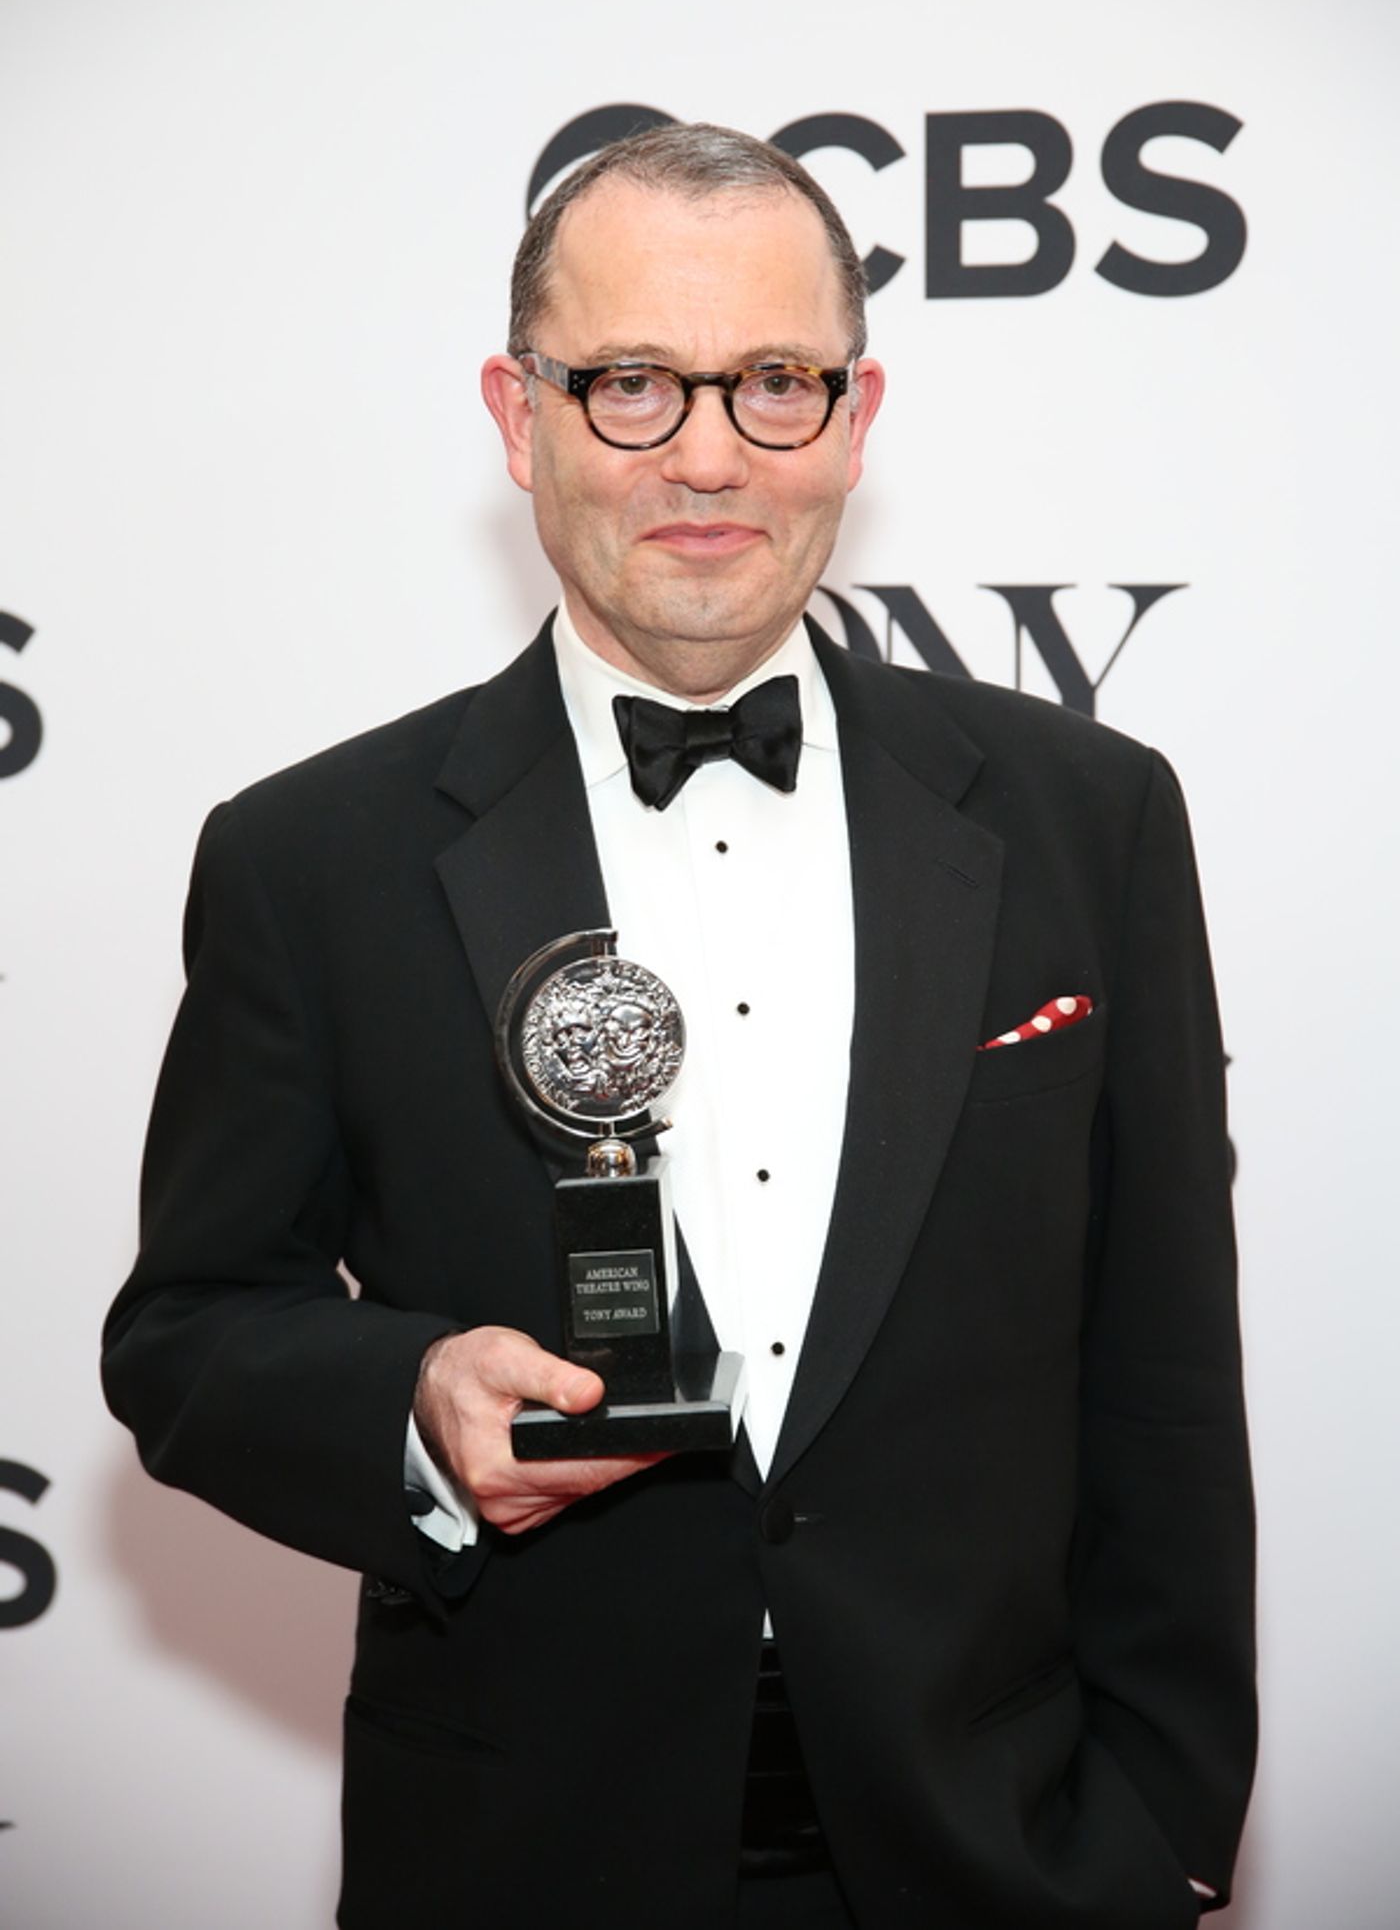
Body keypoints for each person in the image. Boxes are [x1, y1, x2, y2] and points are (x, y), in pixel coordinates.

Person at [102, 123, 1255, 1930]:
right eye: (632, 381)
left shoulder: (1087, 819)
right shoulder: (309, 858)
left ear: (858, 418)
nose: (708, 454)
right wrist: (405, 1399)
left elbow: (1168, 1364)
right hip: (523, 1852)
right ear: (519, 415)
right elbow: (188, 1334)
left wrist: (1170, 1829)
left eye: (774, 383)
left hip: (1009, 1853)